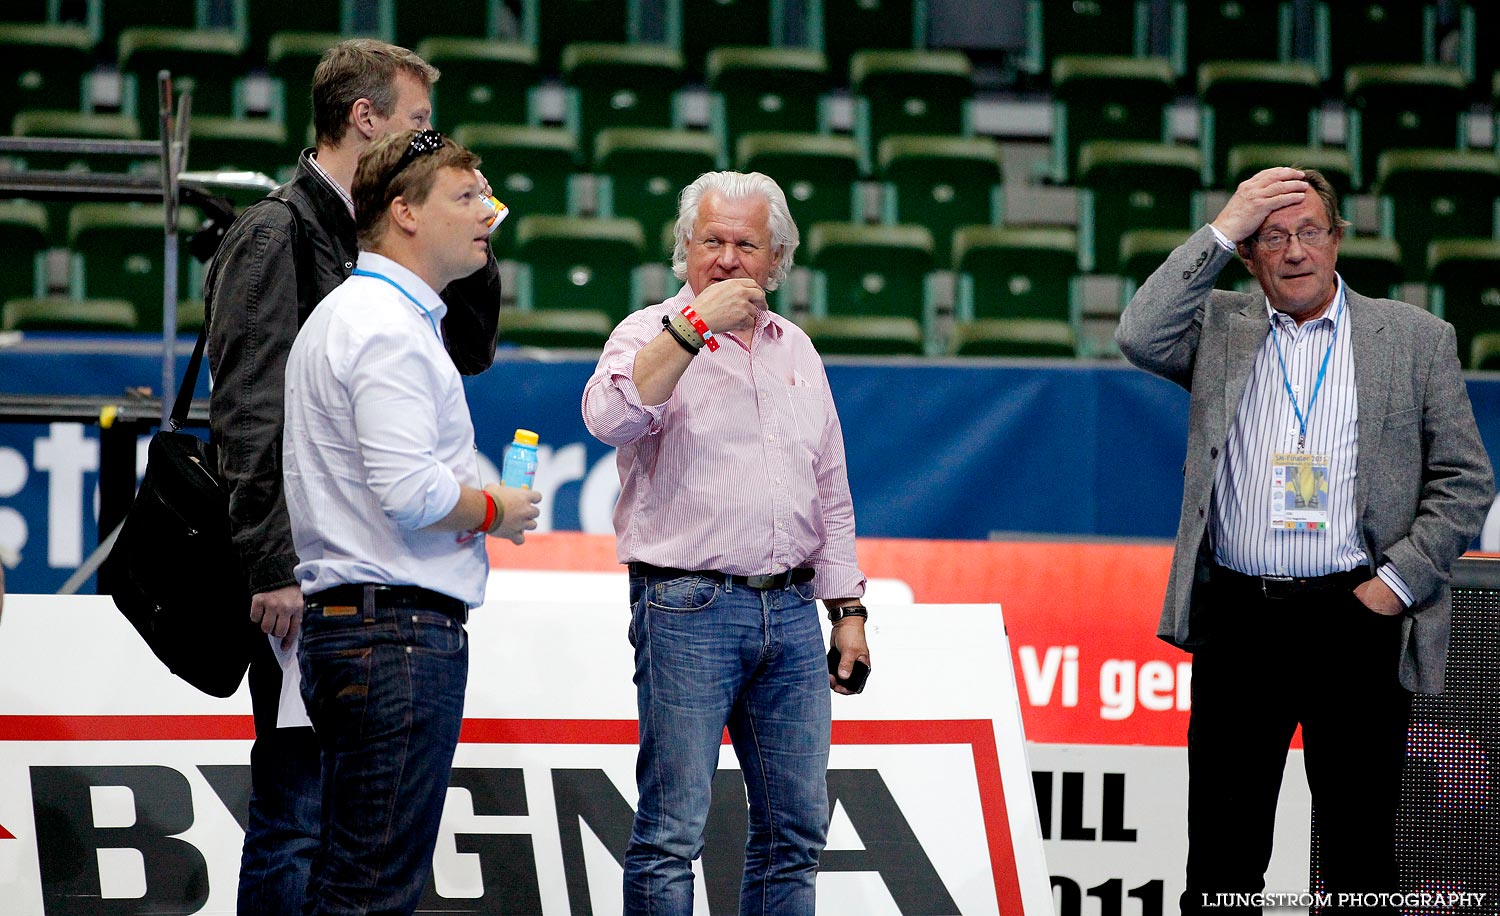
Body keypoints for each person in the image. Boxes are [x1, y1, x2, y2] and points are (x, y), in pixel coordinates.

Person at [1117, 167, 1493, 914]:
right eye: (1272, 238)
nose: (1294, 252)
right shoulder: (1220, 329)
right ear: (1251, 257)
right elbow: (1138, 332)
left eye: (1310, 232)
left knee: (1359, 854)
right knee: (1224, 854)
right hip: (1240, 621)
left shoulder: (1415, 339)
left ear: (1337, 241)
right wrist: (1223, 227)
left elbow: (1464, 481)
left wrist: (1395, 586)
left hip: (1355, 620)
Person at [202, 39, 501, 915]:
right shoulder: (274, 232)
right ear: (363, 120)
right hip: (313, 573)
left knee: (337, 829)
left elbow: (471, 347)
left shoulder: (378, 236)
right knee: (297, 816)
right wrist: (273, 565)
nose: (427, 138)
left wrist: (474, 223)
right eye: (417, 123)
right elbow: (250, 414)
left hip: (351, 573)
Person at [582, 171, 871, 915]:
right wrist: (692, 328)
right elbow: (608, 418)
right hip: (686, 606)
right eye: (711, 241)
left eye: (748, 244)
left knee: (797, 832)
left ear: (778, 261)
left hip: (795, 614)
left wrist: (848, 609)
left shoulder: (798, 351)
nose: (728, 259)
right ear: (684, 252)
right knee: (672, 835)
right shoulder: (647, 331)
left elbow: (830, 489)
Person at [282, 128, 541, 916]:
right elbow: (410, 491)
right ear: (403, 212)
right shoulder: (385, 327)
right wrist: (496, 508)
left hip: (364, 631)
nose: (489, 214)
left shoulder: (364, 316)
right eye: (465, 197)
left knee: (349, 880)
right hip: (392, 636)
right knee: (369, 894)